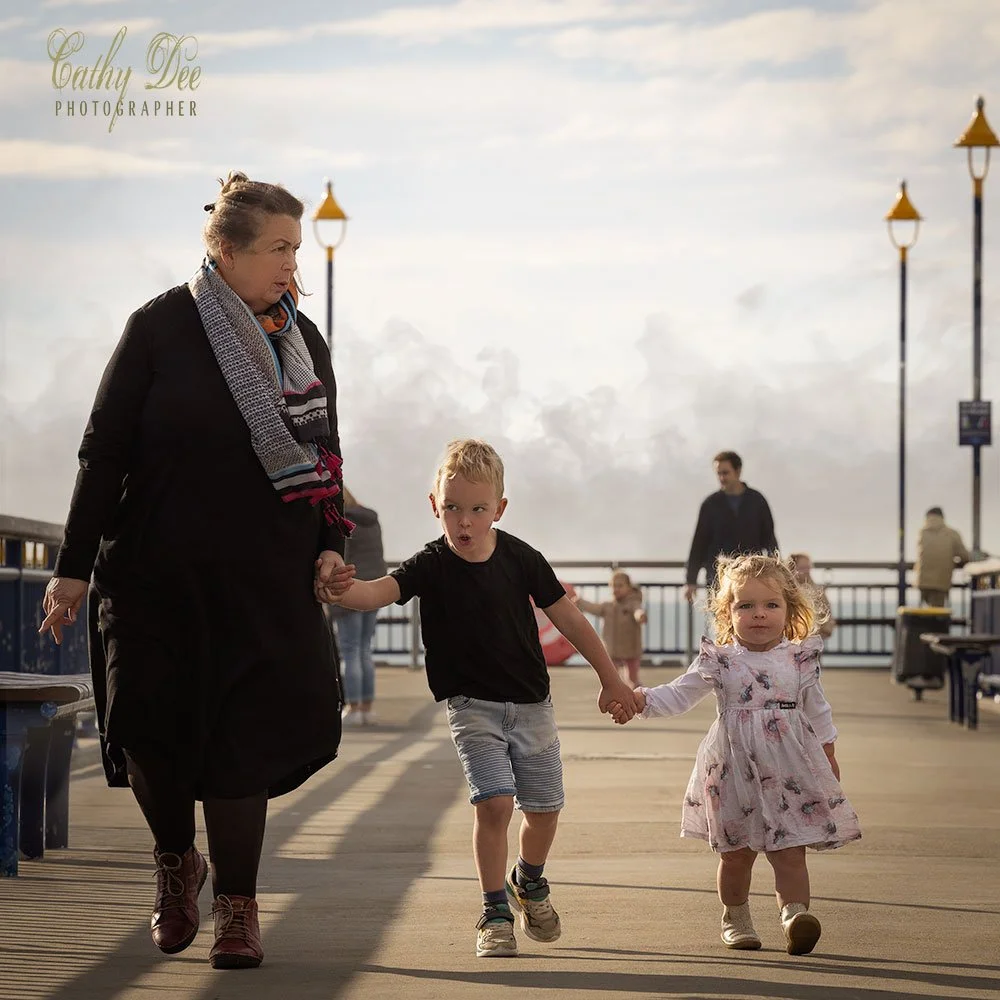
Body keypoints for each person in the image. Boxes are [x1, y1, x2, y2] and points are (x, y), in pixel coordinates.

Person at [38, 171, 354, 971]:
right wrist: (71, 568)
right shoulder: (160, 327)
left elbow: (325, 455)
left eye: (295, 247)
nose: (293, 265)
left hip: (263, 581)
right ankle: (178, 864)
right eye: (279, 249)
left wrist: (331, 544)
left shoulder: (301, 340)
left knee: (238, 746)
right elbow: (103, 450)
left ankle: (238, 909)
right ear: (225, 250)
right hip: (153, 578)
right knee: (151, 733)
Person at [319, 439, 639, 959]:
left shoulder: (521, 558)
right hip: (472, 707)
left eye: (477, 509)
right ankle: (494, 909)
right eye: (451, 508)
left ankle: (528, 881)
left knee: (545, 809)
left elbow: (570, 618)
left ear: (499, 509)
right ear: (433, 504)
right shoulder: (431, 563)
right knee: (494, 804)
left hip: (532, 706)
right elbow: (378, 591)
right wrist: (340, 591)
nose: (463, 522)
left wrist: (611, 680)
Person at [610, 553, 861, 956]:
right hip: (732, 769)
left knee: (790, 850)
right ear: (728, 612)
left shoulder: (798, 659)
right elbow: (679, 693)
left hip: (789, 769)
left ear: (789, 609)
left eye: (770, 605)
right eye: (746, 605)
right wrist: (639, 699)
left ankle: (795, 916)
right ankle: (736, 917)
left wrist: (828, 753)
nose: (758, 614)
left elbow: (818, 710)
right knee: (737, 852)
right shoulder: (721, 659)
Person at [683, 451, 778, 604]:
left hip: (751, 575)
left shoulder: (757, 501)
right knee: (722, 622)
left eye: (725, 473)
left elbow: (769, 539)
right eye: (719, 473)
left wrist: (776, 571)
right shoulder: (710, 504)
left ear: (738, 471)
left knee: (746, 620)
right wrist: (690, 580)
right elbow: (699, 542)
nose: (722, 478)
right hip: (718, 577)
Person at [336, 487, 387, 726]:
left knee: (350, 649)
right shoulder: (371, 520)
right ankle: (366, 707)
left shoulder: (343, 523)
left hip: (350, 590)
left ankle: (352, 706)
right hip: (374, 589)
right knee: (364, 648)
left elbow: (339, 559)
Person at [571, 571, 647, 687]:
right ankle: (619, 697)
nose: (616, 589)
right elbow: (594, 608)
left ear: (629, 588)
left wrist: (640, 615)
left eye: (620, 586)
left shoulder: (633, 602)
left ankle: (639, 696)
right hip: (612, 649)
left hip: (630, 648)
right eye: (613, 586)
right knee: (613, 678)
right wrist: (581, 602)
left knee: (632, 678)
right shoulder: (608, 606)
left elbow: (637, 610)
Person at [914, 508, 970, 607]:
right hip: (940, 581)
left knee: (924, 613)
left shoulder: (922, 533)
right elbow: (964, 555)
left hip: (922, 581)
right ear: (942, 517)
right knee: (936, 613)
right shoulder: (951, 534)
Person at [790, 553, 835, 639]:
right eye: (802, 568)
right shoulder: (787, 590)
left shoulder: (817, 590)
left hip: (814, 636)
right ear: (793, 569)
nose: (806, 571)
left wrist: (825, 631)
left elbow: (828, 614)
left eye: (808, 568)